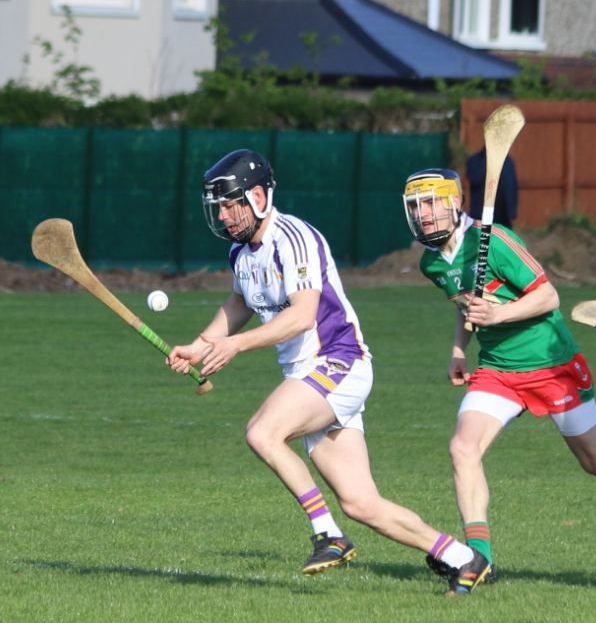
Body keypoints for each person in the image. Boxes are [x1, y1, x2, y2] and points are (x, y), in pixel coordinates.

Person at [166, 150, 490, 595]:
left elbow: (302, 316)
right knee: (361, 502)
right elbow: (239, 304)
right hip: (310, 376)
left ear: (258, 196)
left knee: (263, 432)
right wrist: (199, 346)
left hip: (339, 361)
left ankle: (327, 533)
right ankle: (462, 558)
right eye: (217, 206)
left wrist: (234, 346)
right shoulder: (241, 253)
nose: (223, 214)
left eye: (230, 203)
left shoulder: (293, 237)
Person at [402, 168, 596, 580]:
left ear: (454, 203)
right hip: (498, 371)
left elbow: (549, 297)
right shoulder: (431, 262)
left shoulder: (493, 242)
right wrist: (460, 350)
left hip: (551, 365)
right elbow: (465, 305)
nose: (424, 215)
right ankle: (478, 558)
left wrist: (498, 314)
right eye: (415, 207)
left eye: (431, 203)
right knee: (463, 448)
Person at [466, 149, 519, 228]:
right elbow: (475, 179)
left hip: (501, 218)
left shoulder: (507, 162)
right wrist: (489, 161)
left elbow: (510, 186)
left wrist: (512, 210)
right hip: (480, 216)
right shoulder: (475, 160)